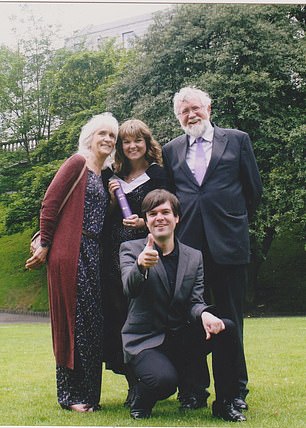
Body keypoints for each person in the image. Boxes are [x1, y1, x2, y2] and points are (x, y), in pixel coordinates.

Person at [162, 87, 263, 410]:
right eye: (184, 112)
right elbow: (171, 196)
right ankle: (193, 391)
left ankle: (234, 393)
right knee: (191, 321)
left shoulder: (237, 140)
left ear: (209, 108)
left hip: (229, 246)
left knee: (230, 320)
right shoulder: (171, 150)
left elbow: (253, 192)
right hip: (189, 250)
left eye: (195, 108)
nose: (191, 115)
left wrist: (228, 220)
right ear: (178, 118)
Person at [119, 189, 246, 422]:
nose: (160, 218)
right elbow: (130, 288)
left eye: (166, 212)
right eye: (153, 213)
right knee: (163, 382)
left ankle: (225, 403)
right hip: (145, 340)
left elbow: (194, 301)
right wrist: (141, 266)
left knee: (226, 327)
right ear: (146, 221)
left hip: (180, 338)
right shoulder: (131, 250)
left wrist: (205, 315)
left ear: (176, 218)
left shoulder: (194, 256)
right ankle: (141, 397)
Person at [25, 112, 119, 412]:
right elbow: (50, 203)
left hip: (93, 253)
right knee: (74, 324)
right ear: (89, 136)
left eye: (112, 136)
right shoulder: (76, 163)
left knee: (92, 325)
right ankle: (70, 396)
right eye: (102, 133)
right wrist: (45, 241)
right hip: (71, 253)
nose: (107, 139)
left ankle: (89, 396)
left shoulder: (103, 174)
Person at [103, 119, 169, 407]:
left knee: (146, 317)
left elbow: (169, 213)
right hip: (114, 258)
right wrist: (113, 203)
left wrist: (144, 222)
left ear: (147, 143)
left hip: (147, 257)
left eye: (137, 141)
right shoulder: (114, 176)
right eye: (126, 142)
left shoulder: (158, 176)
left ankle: (154, 378)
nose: (132, 146)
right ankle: (133, 383)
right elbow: (104, 218)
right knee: (120, 319)